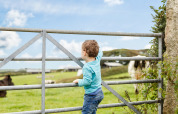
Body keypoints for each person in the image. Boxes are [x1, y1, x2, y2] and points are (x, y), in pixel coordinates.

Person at [73, 40, 104, 114]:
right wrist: (94, 47)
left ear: (84, 52)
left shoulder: (87, 67)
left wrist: (79, 81)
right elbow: (101, 52)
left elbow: (87, 81)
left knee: (86, 112)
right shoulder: (97, 59)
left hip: (91, 95)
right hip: (99, 92)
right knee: (92, 112)